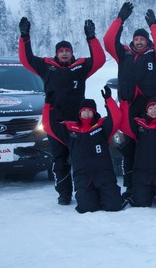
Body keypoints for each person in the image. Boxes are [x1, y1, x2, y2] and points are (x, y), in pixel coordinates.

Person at [18, 16, 106, 206]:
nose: (65, 54)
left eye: (67, 51)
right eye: (61, 51)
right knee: (60, 160)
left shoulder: (80, 66)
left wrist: (91, 38)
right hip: (56, 122)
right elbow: (26, 60)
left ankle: (88, 189)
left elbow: (99, 60)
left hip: (79, 123)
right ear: (56, 53)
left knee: (83, 158)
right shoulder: (47, 66)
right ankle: (64, 194)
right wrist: (24, 37)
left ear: (72, 53)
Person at [104, 2, 156, 194]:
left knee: (154, 147)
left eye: (143, 39)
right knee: (129, 148)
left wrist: (154, 26)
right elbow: (109, 42)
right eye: (137, 39)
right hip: (129, 107)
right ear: (133, 41)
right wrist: (120, 19)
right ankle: (131, 185)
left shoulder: (154, 55)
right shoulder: (123, 54)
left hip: (151, 107)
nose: (139, 42)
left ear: (147, 41)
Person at [42, 86, 125, 214]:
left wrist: (108, 100)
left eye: (89, 111)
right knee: (86, 208)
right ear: (79, 113)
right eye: (84, 111)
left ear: (94, 112)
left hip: (104, 174)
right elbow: (49, 127)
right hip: (83, 176)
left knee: (114, 206)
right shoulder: (70, 128)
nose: (86, 113)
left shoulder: (102, 126)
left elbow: (117, 118)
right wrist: (49, 106)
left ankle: (106, 196)